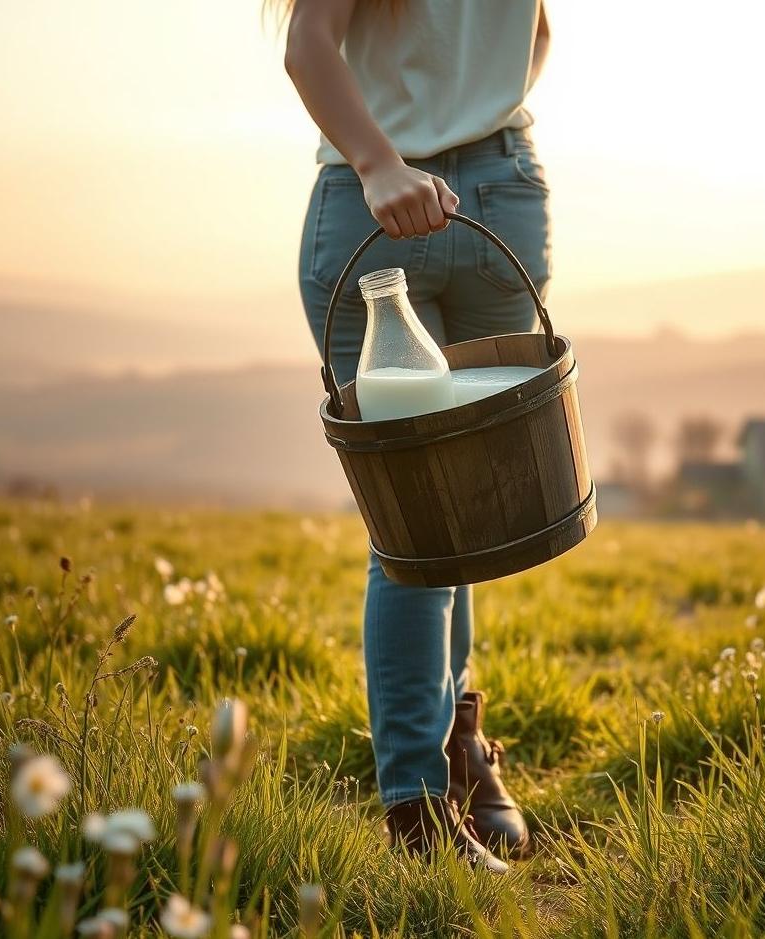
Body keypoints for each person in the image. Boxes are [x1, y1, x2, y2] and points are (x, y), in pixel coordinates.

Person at [283, 0, 551, 871]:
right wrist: (436, 140)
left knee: (455, 511)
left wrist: (388, 151)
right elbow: (535, 37)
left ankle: (451, 758)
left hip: (411, 193)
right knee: (420, 522)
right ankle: (420, 805)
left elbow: (312, 42)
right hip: (454, 190)